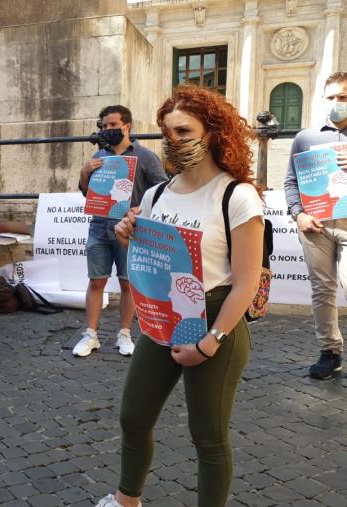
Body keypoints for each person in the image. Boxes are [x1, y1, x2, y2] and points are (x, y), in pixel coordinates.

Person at [97, 86, 264, 507]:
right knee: (133, 416)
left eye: (184, 130)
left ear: (212, 132)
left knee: (208, 437)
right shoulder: (156, 194)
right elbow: (150, 257)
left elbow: (245, 283)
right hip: (162, 319)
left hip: (214, 317)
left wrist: (210, 342)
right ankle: (125, 500)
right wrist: (127, 232)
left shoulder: (237, 196)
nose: (174, 140)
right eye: (167, 132)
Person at [73, 105, 167, 357]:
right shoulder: (99, 156)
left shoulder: (146, 157)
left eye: (113, 125)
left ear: (127, 126)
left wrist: (138, 209)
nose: (107, 130)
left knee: (128, 283)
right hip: (99, 226)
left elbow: (161, 192)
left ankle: (124, 333)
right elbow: (87, 193)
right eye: (104, 126)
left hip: (129, 229)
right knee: (96, 281)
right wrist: (84, 173)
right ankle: (90, 334)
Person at [283, 71, 347, 380]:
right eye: (332, 96)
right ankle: (330, 352)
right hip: (314, 225)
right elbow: (291, 181)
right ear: (323, 99)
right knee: (322, 290)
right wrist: (298, 213)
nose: (337, 102)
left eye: (343, 97)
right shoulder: (305, 138)